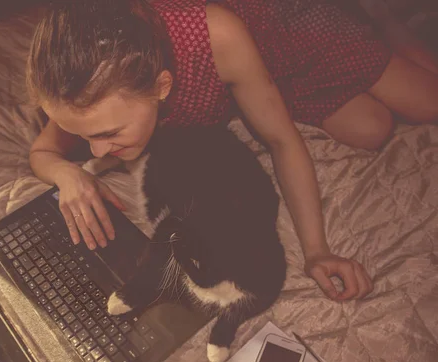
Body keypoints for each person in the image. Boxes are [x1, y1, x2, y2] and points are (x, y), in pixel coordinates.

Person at [25, 0, 438, 302]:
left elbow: (280, 139)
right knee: (372, 128)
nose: (96, 150)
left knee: (427, 102)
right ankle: (261, 90)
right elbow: (43, 154)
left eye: (110, 132)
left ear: (161, 86)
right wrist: (69, 175)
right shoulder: (86, 76)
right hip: (252, 72)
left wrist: (316, 250)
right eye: (81, 134)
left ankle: (382, 18)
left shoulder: (214, 35)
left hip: (286, 24)